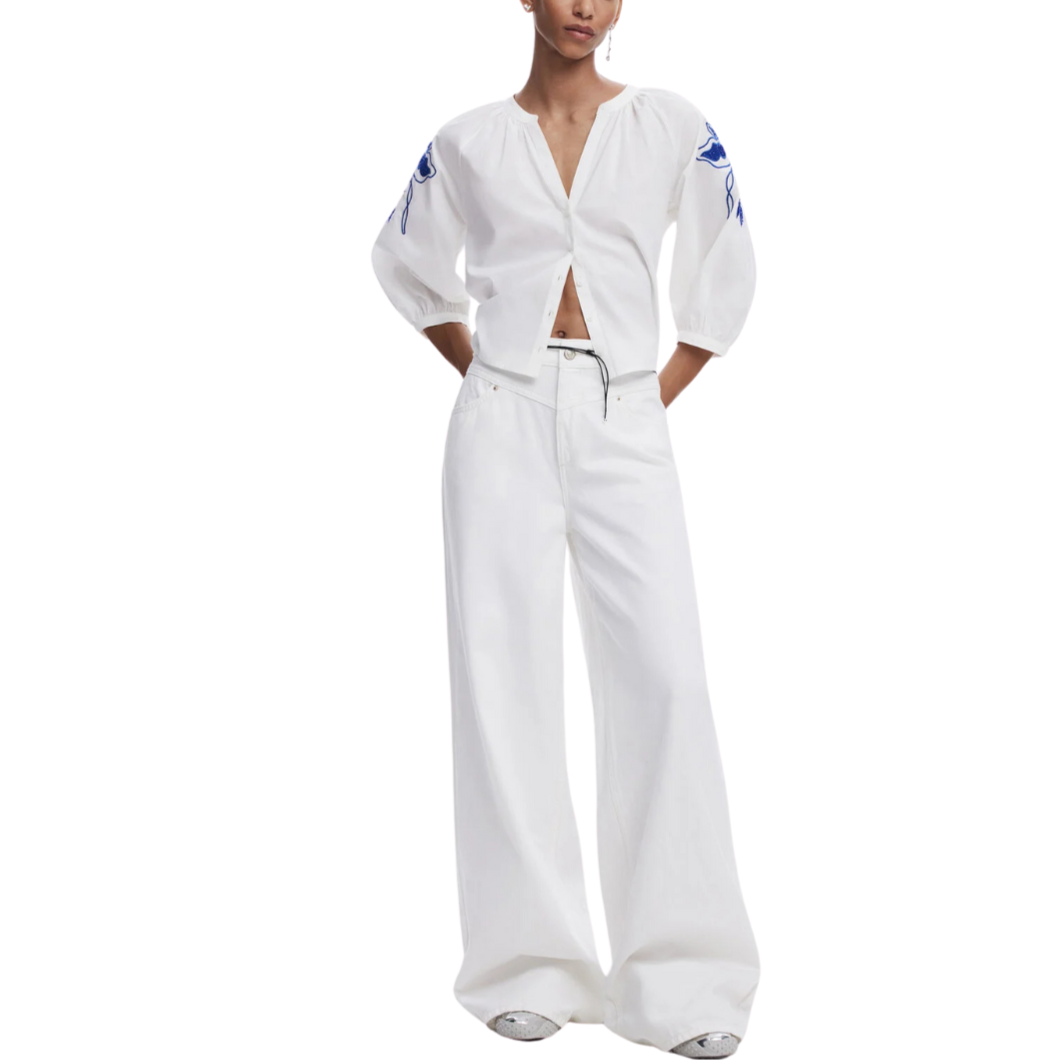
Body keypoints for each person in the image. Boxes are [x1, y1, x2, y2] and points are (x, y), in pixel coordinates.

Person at [370, 2, 759, 1055]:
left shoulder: (670, 124)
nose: (585, 6)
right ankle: (526, 965)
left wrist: (647, 394)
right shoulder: (468, 140)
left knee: (664, 676)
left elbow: (725, 262)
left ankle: (684, 981)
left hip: (625, 406)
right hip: (500, 412)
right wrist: (488, 374)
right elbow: (404, 262)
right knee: (502, 676)